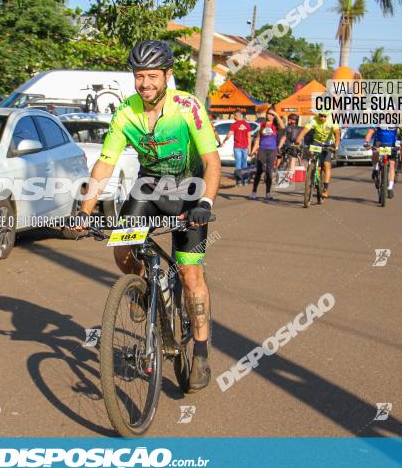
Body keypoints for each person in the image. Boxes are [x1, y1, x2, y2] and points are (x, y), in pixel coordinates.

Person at [72, 40, 220, 390]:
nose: (145, 84)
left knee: (190, 275)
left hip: (190, 191)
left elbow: (212, 160)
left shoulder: (187, 107)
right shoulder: (126, 113)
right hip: (149, 189)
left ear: (168, 75)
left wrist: (206, 204)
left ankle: (199, 352)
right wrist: (84, 211)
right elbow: (106, 162)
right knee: (121, 249)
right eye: (139, 77)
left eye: (152, 76)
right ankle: (142, 287)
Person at [294, 112, 341, 198]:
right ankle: (312, 169)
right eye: (321, 116)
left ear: (328, 116)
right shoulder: (314, 120)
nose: (322, 118)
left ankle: (325, 189)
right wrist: (298, 141)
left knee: (327, 165)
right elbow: (304, 130)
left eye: (324, 116)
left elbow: (337, 133)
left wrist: (336, 145)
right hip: (317, 142)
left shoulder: (332, 121)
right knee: (310, 152)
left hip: (328, 143)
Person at [364, 125, 402, 199]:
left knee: (392, 166)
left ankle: (390, 188)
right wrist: (366, 142)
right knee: (375, 152)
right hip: (379, 143)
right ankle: (375, 168)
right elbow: (371, 131)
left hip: (392, 144)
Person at [249, 109, 285, 200]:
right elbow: (258, 139)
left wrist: (276, 114)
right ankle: (254, 192)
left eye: (271, 114)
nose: (269, 116)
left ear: (274, 116)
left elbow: (283, 126)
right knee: (259, 171)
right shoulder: (262, 125)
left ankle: (268, 193)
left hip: (272, 150)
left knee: (269, 172)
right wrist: (253, 151)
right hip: (262, 150)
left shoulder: (275, 125)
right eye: (268, 114)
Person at [222, 110, 251, 184]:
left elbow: (229, 134)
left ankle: (239, 180)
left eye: (234, 116)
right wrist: (249, 148)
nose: (234, 118)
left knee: (238, 163)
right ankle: (245, 179)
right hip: (245, 147)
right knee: (244, 163)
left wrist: (224, 140)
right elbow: (249, 137)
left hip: (237, 146)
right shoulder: (247, 124)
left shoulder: (234, 124)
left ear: (236, 116)